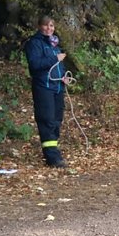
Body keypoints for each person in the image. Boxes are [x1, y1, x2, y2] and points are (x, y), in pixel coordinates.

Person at [25, 15, 71, 168]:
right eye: (46, 25)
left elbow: (59, 66)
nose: (49, 28)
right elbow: (35, 64)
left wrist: (64, 77)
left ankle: (53, 151)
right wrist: (54, 58)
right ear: (39, 26)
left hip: (57, 88)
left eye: (51, 26)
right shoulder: (34, 43)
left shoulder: (55, 44)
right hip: (43, 87)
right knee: (47, 120)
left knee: (57, 119)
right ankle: (52, 158)